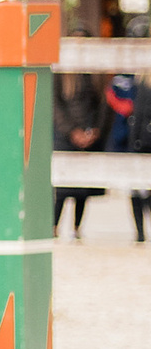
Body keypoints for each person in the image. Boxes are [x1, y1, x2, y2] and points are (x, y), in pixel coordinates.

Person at [52, 69, 108, 238]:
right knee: (61, 187)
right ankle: (54, 225)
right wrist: (72, 131)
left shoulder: (95, 75)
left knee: (83, 189)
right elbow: (56, 106)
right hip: (65, 137)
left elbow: (101, 105)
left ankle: (77, 227)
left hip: (89, 134)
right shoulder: (61, 75)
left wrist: (95, 130)